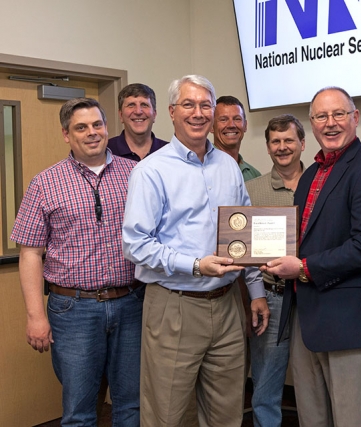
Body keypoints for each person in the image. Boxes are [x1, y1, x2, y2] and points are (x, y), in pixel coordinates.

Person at [122, 75, 269, 426]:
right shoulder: (151, 171)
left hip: (228, 304)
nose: (198, 113)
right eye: (189, 105)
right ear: (172, 112)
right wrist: (196, 265)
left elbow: (243, 234)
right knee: (167, 413)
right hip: (175, 305)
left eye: (206, 105)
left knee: (227, 411)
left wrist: (257, 291)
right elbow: (135, 244)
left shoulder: (228, 167)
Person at [262, 87, 361, 426]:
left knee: (356, 419)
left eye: (339, 114)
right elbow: (304, 239)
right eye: (322, 116)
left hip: (350, 324)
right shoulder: (311, 174)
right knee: (313, 419)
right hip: (307, 321)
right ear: (312, 123)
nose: (331, 123)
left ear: (354, 118)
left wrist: (303, 267)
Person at [11, 97, 142, 426]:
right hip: (73, 310)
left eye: (97, 125)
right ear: (66, 134)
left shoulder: (137, 174)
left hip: (131, 303)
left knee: (132, 404)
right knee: (79, 411)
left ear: (107, 128)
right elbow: (29, 253)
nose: (92, 133)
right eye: (81, 127)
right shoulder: (45, 183)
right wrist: (35, 316)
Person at [245, 114, 306, 427]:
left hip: (315, 295)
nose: (283, 147)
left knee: (315, 383)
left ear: (302, 144)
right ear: (268, 148)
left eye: (289, 141)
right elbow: (241, 249)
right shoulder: (251, 190)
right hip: (272, 298)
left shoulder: (322, 184)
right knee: (266, 384)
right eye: (275, 142)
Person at [108, 83, 169, 160]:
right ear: (121, 115)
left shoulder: (169, 152)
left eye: (144, 105)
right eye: (131, 105)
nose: (138, 112)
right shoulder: (106, 152)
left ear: (154, 114)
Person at [212, 95, 261, 180]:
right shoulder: (200, 167)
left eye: (237, 119)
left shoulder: (255, 176)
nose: (231, 125)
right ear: (211, 127)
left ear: (245, 126)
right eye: (223, 119)